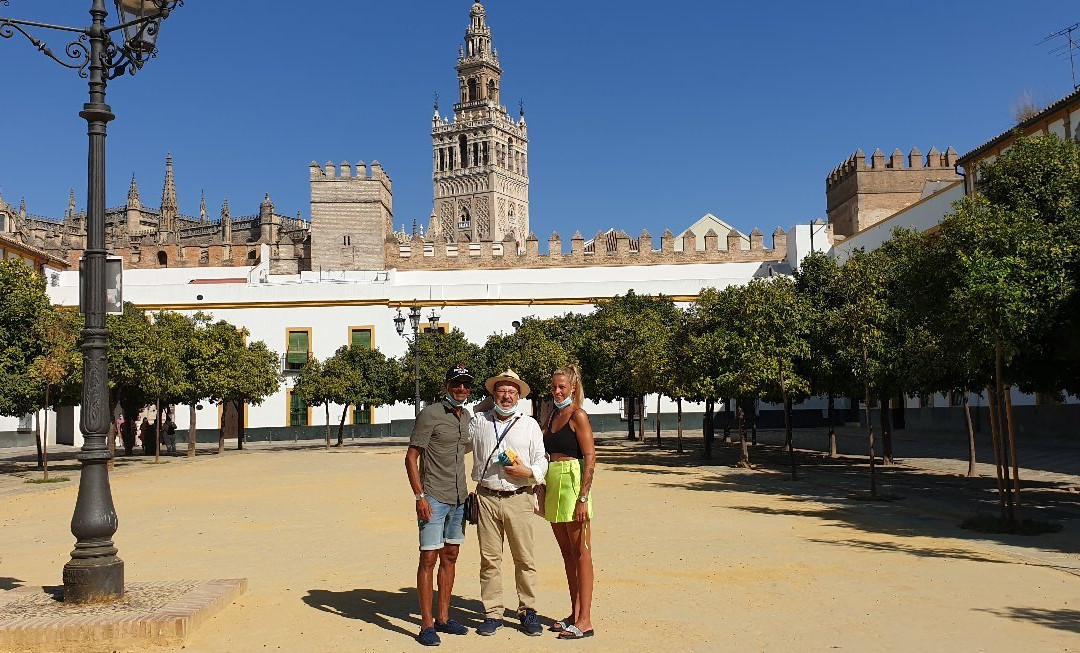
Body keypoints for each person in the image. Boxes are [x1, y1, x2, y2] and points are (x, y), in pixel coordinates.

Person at [469, 369, 548, 637]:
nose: (506, 396)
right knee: (489, 560)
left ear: (519, 396)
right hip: (487, 497)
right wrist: (482, 404)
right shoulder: (479, 421)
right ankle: (493, 613)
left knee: (524, 558)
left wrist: (530, 472)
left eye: (512, 391)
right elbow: (462, 437)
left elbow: (542, 458)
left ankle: (528, 611)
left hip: (519, 497)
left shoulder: (529, 425)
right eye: (501, 391)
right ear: (493, 395)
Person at [405, 364, 475, 647]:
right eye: (456, 383)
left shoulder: (466, 416)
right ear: (446, 385)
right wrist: (419, 496)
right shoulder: (430, 414)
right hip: (433, 497)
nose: (461, 389)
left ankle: (443, 618)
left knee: (451, 556)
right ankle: (426, 624)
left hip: (459, 498)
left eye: (466, 384)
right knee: (428, 558)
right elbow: (411, 457)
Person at [540, 364, 597, 640]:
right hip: (553, 483)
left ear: (573, 388)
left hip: (573, 484)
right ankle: (574, 614)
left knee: (581, 553)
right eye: (554, 387)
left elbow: (590, 457)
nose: (557, 391)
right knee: (567, 554)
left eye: (562, 387)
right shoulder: (552, 415)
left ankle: (585, 620)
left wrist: (583, 497)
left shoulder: (578, 415)